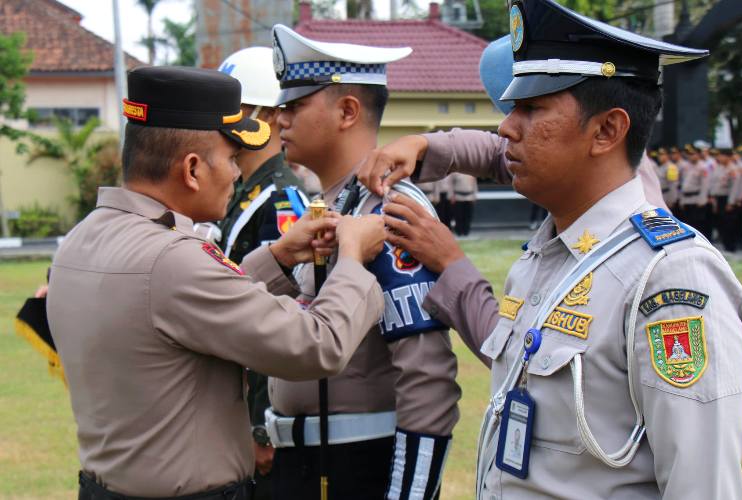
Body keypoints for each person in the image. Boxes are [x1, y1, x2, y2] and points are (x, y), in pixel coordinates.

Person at [358, 0, 742, 498]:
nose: (505, 127)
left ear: (607, 130)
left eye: (531, 108)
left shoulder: (671, 278)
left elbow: (702, 486)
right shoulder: (545, 257)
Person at [46, 66, 387, 499]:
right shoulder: (172, 259)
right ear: (191, 169)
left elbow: (172, 314)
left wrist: (279, 256)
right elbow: (315, 345)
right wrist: (353, 260)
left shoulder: (82, 239)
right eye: (230, 158)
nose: (235, 173)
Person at [265, 25, 461, 499]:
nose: (278, 119)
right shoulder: (337, 202)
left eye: (294, 105)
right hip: (309, 459)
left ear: (348, 111)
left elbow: (425, 377)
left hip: (358, 465)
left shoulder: (389, 210)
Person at [216, 47, 306, 499]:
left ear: (265, 116)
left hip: (261, 411)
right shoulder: (240, 192)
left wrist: (261, 427)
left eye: (234, 113)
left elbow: (277, 319)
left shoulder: (282, 200)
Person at [450, 172, 478, 236]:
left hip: (469, 197)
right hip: (458, 197)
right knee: (458, 216)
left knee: (468, 216)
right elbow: (451, 185)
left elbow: (474, 185)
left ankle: (466, 231)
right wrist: (452, 196)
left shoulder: (472, 173)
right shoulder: (455, 173)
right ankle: (459, 231)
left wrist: (474, 196)